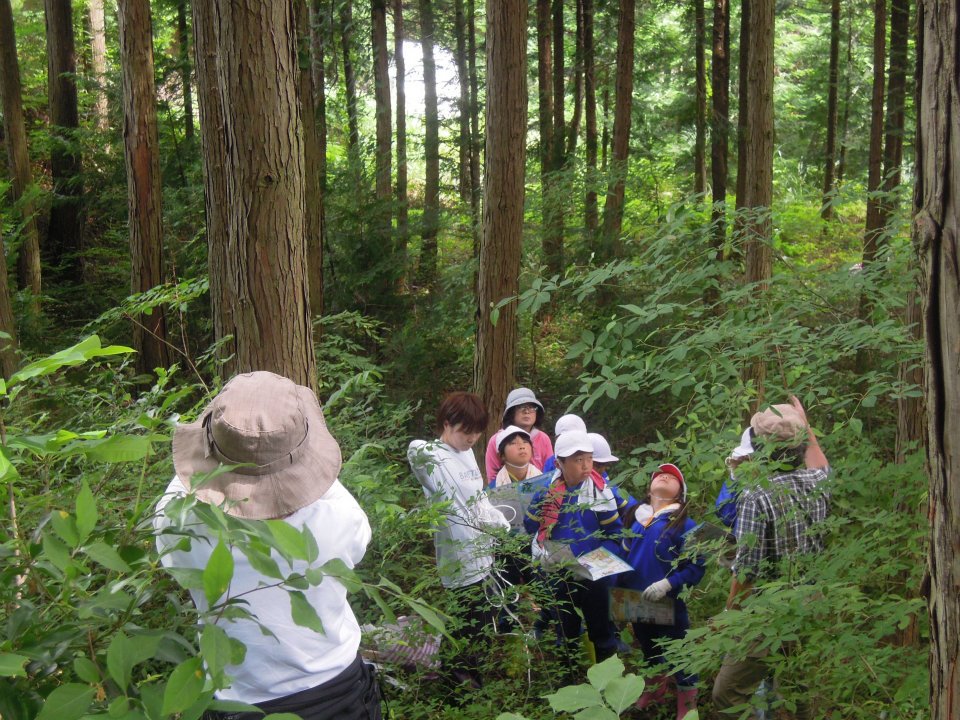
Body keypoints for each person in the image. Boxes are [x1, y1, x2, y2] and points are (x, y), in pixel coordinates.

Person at [154, 371, 381, 720]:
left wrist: (211, 463)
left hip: (236, 700)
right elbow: (357, 544)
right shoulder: (338, 514)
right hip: (337, 694)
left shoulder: (177, 519)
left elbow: (175, 555)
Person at [711, 396, 830, 720]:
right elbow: (819, 461)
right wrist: (804, 423)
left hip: (766, 610)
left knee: (727, 694)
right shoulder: (818, 481)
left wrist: (729, 617)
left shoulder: (756, 496)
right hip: (808, 600)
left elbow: (747, 570)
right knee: (794, 688)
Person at [407, 391, 510, 687]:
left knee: (479, 622)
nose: (473, 438)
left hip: (482, 550)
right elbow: (417, 453)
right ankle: (459, 685)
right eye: (467, 431)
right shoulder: (429, 455)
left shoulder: (465, 453)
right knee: (465, 622)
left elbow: (478, 500)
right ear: (448, 422)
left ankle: (471, 678)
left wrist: (501, 526)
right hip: (457, 556)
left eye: (477, 432)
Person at [524, 431, 622, 674]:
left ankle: (609, 681)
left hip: (594, 577)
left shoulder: (601, 493)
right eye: (578, 460)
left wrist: (600, 563)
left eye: (589, 458)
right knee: (564, 631)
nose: (587, 466)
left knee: (601, 630)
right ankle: (567, 681)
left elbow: (615, 535)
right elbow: (530, 528)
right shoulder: (547, 493)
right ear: (560, 463)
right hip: (559, 575)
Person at [618, 463, 705, 719]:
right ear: (649, 488)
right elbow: (623, 556)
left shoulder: (686, 524)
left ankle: (688, 703)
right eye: (660, 474)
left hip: (668, 601)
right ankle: (656, 688)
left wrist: (670, 583)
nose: (665, 475)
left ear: (680, 493)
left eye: (673, 476)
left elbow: (697, 566)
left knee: (680, 650)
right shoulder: (634, 519)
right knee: (648, 646)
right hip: (634, 599)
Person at [484, 388, 554, 483]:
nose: (527, 411)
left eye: (532, 407)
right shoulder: (496, 440)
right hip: (506, 493)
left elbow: (550, 471)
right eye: (521, 407)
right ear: (511, 412)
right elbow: (492, 476)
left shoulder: (543, 438)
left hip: (540, 493)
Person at [715, 427, 755, 528]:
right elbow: (726, 517)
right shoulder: (740, 483)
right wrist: (734, 479)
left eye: (748, 459)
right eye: (743, 459)